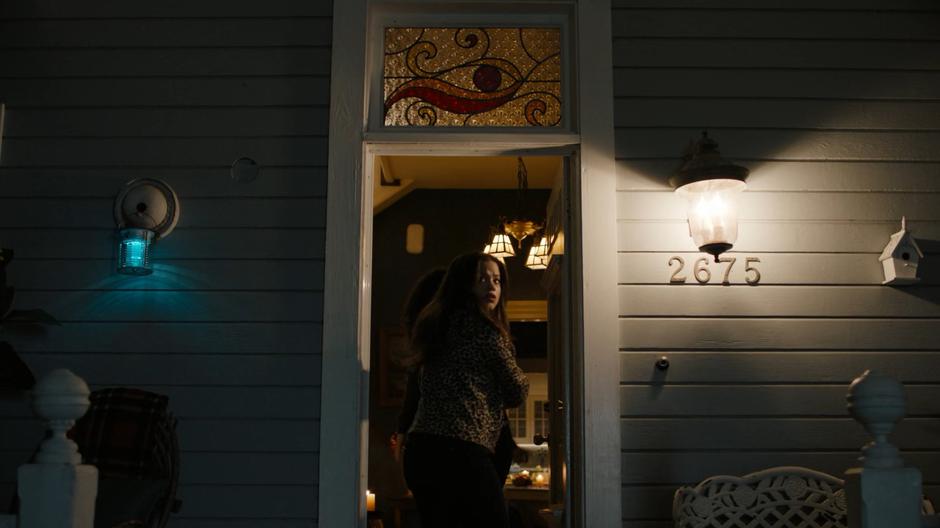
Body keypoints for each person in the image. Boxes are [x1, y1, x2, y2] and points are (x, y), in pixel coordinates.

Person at [403, 252, 529, 528]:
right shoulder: (486, 331)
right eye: (482, 279)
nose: (492, 286)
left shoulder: (435, 326)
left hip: (420, 450)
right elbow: (517, 391)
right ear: (463, 285)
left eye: (496, 280)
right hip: (461, 451)